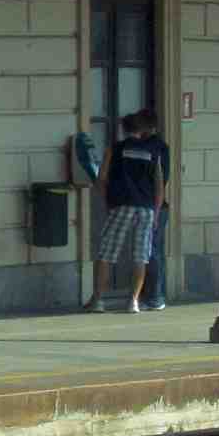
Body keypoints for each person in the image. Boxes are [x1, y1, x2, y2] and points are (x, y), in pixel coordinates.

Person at [86, 108, 171, 314]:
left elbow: (102, 179)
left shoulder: (114, 149)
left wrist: (106, 200)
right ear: (140, 130)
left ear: (123, 130)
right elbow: (160, 185)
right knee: (140, 256)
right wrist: (156, 212)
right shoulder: (152, 152)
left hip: (121, 206)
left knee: (107, 253)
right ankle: (133, 301)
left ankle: (98, 300)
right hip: (146, 209)